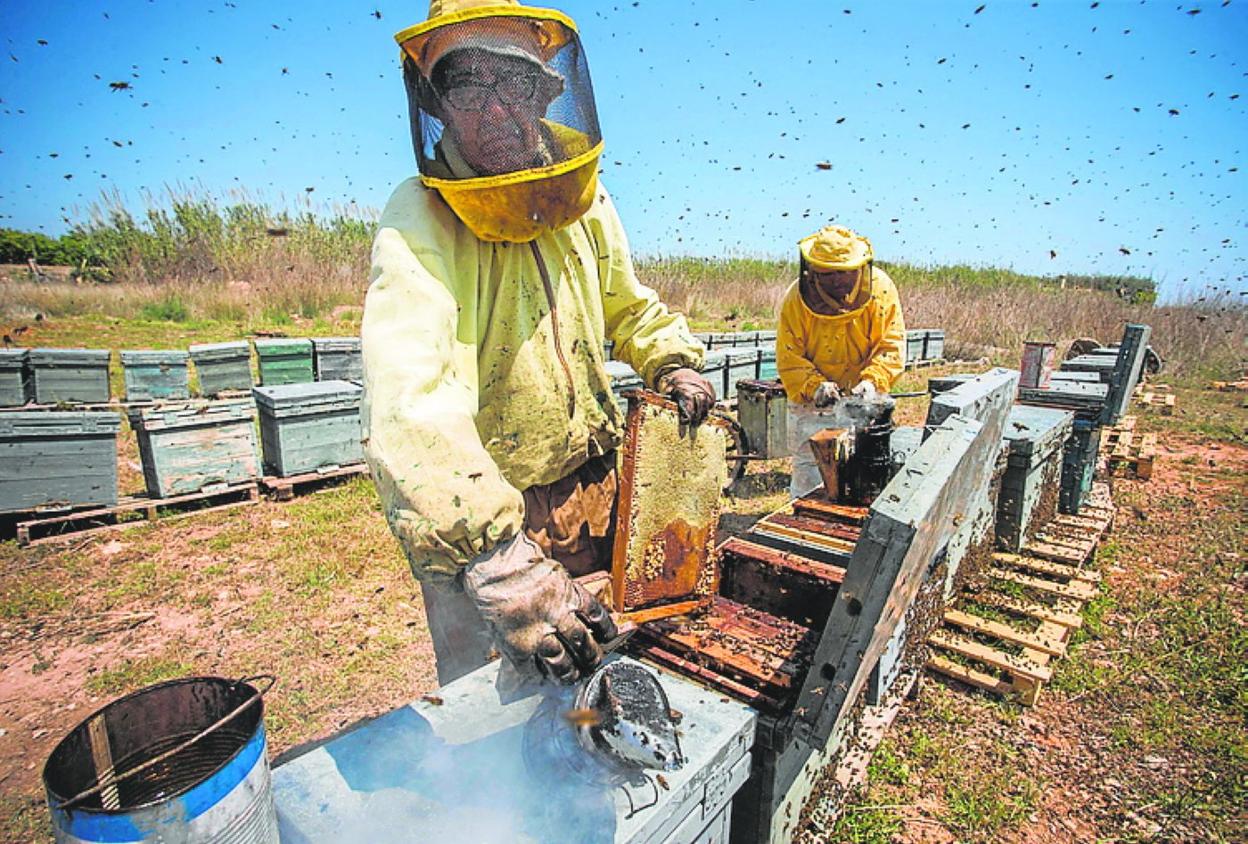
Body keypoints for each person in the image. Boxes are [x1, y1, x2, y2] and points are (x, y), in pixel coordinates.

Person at [361, 0, 716, 688]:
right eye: (466, 85)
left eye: (513, 83)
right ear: (435, 102)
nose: (493, 110)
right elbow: (410, 390)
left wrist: (671, 359)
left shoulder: (583, 200)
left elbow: (628, 303)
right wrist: (495, 558)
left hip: (595, 482)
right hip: (495, 519)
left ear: (547, 91)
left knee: (614, 676)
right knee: (498, 713)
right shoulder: (419, 217)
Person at [776, 225, 906, 496]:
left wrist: (872, 382)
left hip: (864, 400)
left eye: (843, 273)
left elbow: (890, 344)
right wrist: (815, 386)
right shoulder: (796, 299)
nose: (836, 281)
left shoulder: (880, 290)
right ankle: (804, 529)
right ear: (812, 271)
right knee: (811, 473)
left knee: (864, 471)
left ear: (859, 268)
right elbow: (790, 355)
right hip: (811, 402)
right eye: (828, 274)